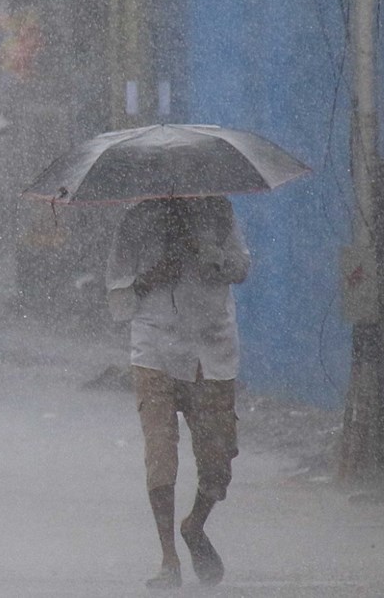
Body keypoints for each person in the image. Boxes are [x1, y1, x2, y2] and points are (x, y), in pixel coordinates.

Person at [106, 196, 249, 590]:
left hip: (211, 350)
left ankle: (195, 526)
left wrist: (206, 252)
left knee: (219, 461)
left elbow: (241, 268)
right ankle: (168, 558)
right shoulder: (135, 219)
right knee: (160, 454)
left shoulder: (219, 211)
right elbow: (117, 299)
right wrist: (151, 277)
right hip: (155, 350)